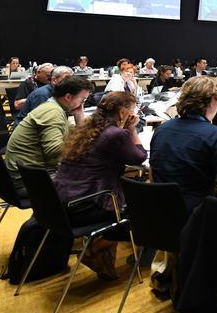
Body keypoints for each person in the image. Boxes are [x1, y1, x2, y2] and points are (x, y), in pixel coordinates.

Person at [149, 76, 217, 212]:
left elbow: (153, 177)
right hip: (198, 217)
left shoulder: (161, 130)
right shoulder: (216, 136)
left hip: (160, 212)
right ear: (212, 101)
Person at [53, 91, 147, 230]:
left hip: (60, 201)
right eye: (132, 110)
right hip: (87, 206)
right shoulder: (117, 134)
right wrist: (132, 129)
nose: (134, 114)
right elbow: (140, 157)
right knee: (145, 200)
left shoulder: (87, 128)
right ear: (122, 112)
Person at [4, 76, 93, 198]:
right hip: (28, 181)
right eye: (82, 99)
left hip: (29, 174)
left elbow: (72, 135)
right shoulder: (53, 113)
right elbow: (54, 151)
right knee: (95, 180)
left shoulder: (54, 107)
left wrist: (79, 115)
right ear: (68, 97)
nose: (82, 104)